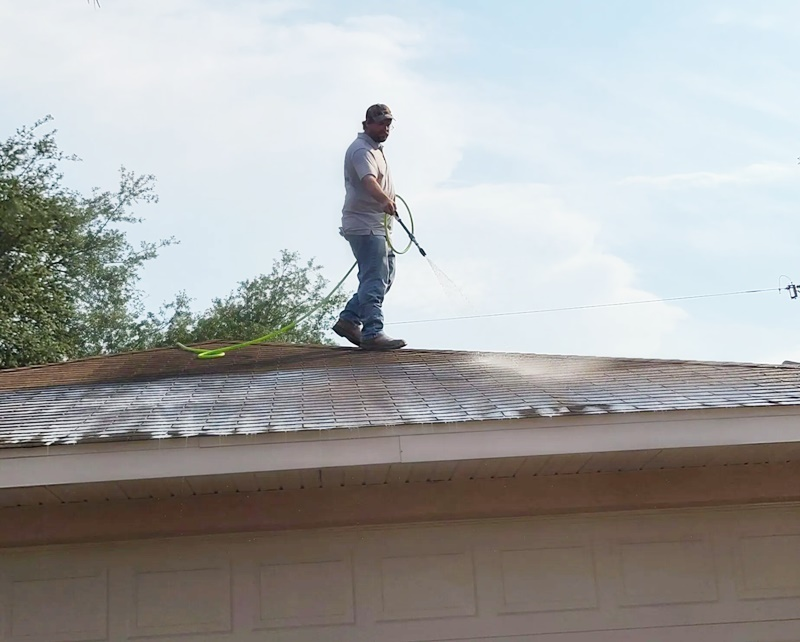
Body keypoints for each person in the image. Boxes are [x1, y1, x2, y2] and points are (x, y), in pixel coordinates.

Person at [333, 104, 406, 351]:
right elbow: (368, 181)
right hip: (365, 226)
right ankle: (373, 332)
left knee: (384, 277)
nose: (385, 128)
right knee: (374, 278)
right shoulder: (361, 150)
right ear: (367, 124)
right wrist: (385, 200)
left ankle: (349, 320)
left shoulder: (375, 149)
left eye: (388, 124)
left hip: (377, 226)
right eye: (380, 123)